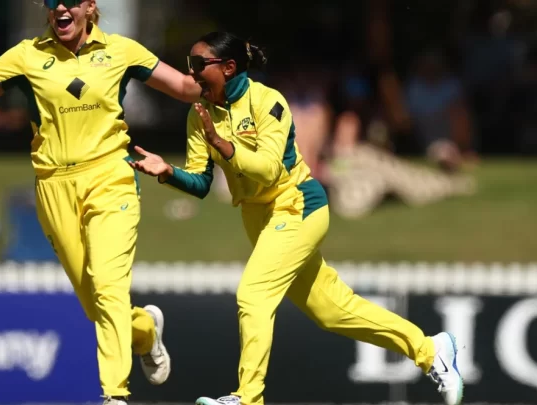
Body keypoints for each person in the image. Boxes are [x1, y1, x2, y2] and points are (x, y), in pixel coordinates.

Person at [129, 32, 465, 405]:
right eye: (188, 65)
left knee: (253, 294)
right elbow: (201, 183)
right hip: (259, 219)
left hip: (298, 206)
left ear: (228, 67)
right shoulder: (200, 113)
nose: (189, 75)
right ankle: (431, 350)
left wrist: (225, 145)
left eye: (198, 66)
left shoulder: (268, 102)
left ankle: (248, 398)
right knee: (333, 311)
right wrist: (166, 172)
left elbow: (270, 170)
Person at [0, 1, 203, 403]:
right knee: (94, 302)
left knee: (110, 287)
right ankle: (145, 330)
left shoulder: (122, 50)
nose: (59, 7)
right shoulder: (27, 54)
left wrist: (228, 71)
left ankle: (114, 395)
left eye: (68, 0)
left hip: (111, 176)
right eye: (50, 1)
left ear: (89, 7)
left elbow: (187, 88)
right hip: (54, 186)